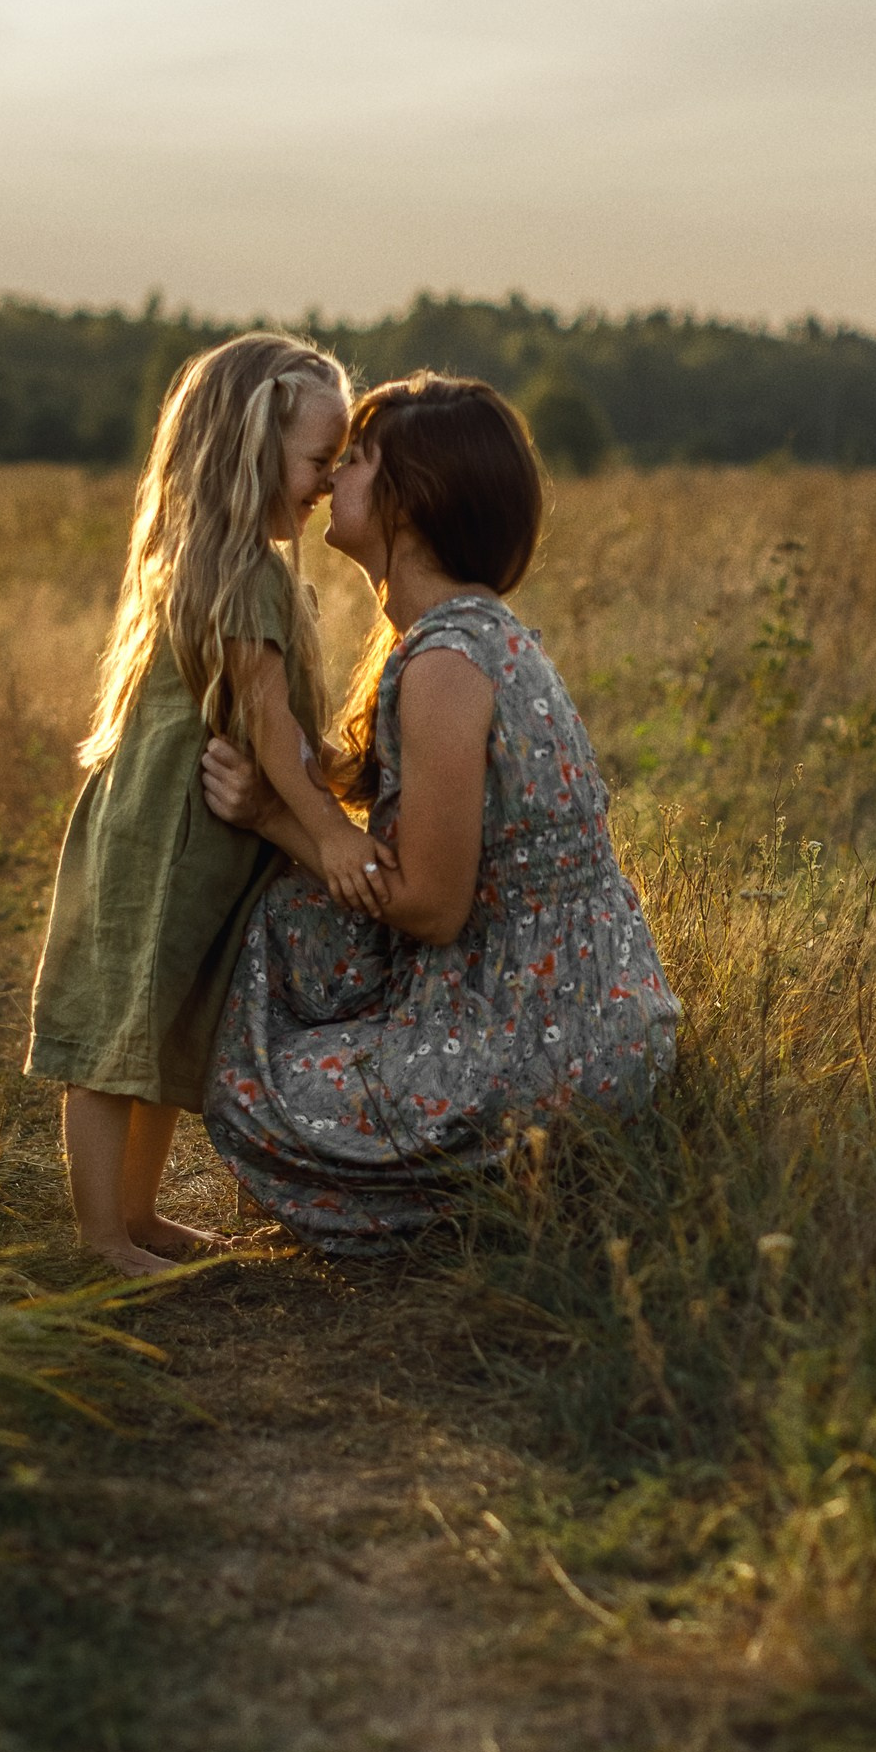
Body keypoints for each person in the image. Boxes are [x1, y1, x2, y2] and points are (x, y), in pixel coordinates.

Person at [200, 372, 678, 1246]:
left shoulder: (445, 665)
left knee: (249, 1079)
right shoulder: (468, 633)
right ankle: (496, 1189)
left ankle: (478, 1211)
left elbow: (431, 904)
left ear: (408, 502)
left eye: (354, 462)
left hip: (541, 1038)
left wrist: (273, 815)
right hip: (582, 1013)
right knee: (294, 920)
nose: (331, 481)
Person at [25, 331, 388, 1275]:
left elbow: (285, 728)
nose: (326, 481)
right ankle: (103, 1238)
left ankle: (140, 1219)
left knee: (166, 1024)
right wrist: (330, 837)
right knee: (119, 1029)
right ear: (251, 450)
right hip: (160, 835)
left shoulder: (236, 563)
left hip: (196, 840)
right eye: (318, 460)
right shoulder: (235, 567)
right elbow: (267, 721)